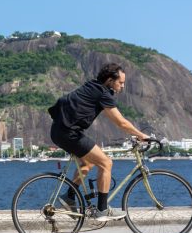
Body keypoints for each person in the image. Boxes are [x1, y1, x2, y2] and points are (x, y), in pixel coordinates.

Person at [48, 63, 149, 221]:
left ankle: (69, 196)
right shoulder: (102, 93)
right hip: (69, 133)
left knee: (88, 163)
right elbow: (120, 122)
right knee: (106, 163)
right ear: (110, 80)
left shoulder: (93, 85)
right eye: (120, 82)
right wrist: (142, 135)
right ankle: (102, 210)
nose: (122, 86)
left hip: (60, 131)